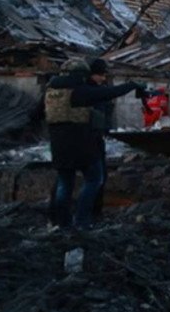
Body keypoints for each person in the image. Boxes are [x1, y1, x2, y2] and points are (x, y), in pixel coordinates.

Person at [44, 58, 144, 230]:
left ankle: (62, 223)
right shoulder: (81, 91)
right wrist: (132, 85)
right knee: (94, 179)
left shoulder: (51, 92)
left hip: (58, 145)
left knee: (64, 184)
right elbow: (109, 93)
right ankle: (82, 221)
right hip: (82, 144)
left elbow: (36, 114)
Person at [87, 58, 117, 219]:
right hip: (86, 138)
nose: (104, 78)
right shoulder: (86, 91)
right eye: (101, 75)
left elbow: (106, 112)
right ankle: (87, 214)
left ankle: (94, 212)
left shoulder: (101, 90)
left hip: (97, 138)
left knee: (100, 177)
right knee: (95, 178)